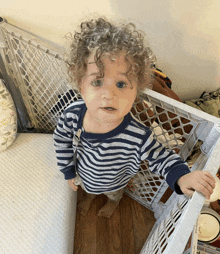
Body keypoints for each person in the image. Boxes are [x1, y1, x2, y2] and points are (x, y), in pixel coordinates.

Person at [53, 18, 215, 218]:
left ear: (136, 90)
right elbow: (61, 141)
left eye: (120, 84)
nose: (109, 94)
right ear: (81, 86)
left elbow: (162, 158)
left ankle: (113, 203)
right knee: (89, 191)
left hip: (116, 182)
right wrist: (68, 172)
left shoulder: (138, 135)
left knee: (113, 195)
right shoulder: (72, 115)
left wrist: (182, 177)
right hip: (83, 175)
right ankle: (91, 197)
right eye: (97, 81)